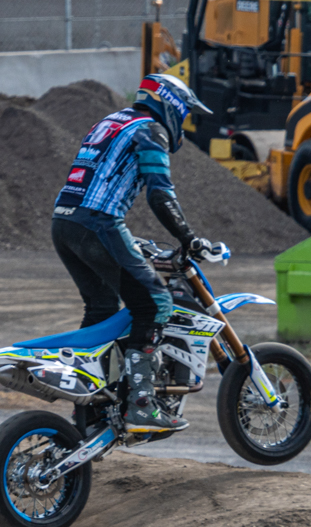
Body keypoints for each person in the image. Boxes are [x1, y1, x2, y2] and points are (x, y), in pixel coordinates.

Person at [51, 74, 213, 434]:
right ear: (172, 105)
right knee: (156, 304)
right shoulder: (151, 130)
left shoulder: (110, 122)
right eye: (184, 113)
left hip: (63, 223)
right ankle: (141, 405)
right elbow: (160, 193)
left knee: (101, 308)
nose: (183, 122)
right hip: (98, 223)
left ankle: (90, 409)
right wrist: (188, 238)